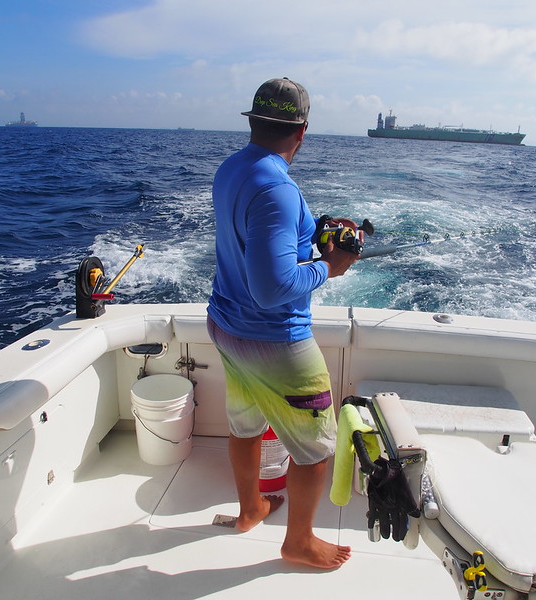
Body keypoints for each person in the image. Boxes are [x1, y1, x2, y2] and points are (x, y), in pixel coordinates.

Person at [207, 77, 360, 569]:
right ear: (302, 131)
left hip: (227, 329)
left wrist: (315, 229)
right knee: (316, 450)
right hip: (276, 344)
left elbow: (259, 233)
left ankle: (251, 508)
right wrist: (328, 267)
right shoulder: (278, 189)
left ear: (253, 121)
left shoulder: (232, 169)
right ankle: (298, 542)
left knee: (246, 426)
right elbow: (271, 289)